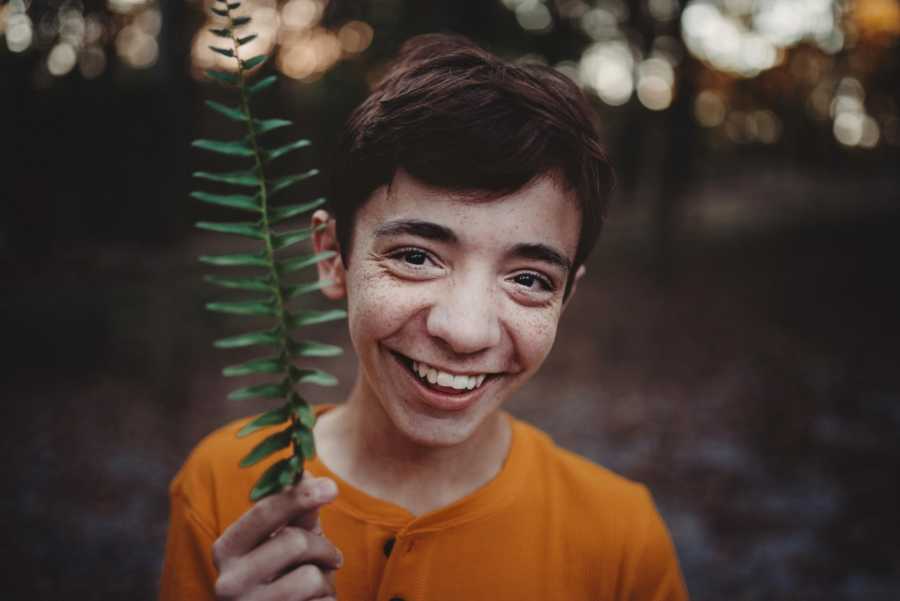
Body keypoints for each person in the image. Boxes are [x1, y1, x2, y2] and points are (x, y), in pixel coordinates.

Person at [160, 33, 690, 601]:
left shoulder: (621, 541)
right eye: (416, 257)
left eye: (530, 279)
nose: (464, 333)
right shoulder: (224, 485)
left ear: (565, 299)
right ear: (331, 258)